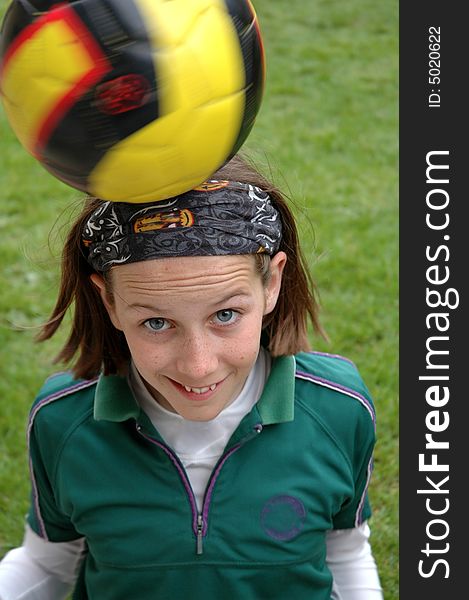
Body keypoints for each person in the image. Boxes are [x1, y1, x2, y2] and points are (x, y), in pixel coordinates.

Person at [0, 155, 383, 599]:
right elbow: (49, 561)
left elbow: (345, 550)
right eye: (157, 323)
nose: (197, 366)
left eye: (225, 314)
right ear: (109, 302)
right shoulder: (63, 421)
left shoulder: (338, 409)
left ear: (272, 284)